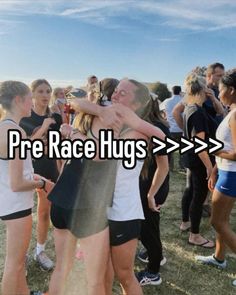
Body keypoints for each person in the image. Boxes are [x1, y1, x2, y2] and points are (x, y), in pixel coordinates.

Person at [47, 79, 166, 295]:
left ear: (137, 104)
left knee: (125, 277)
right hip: (98, 208)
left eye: (123, 94)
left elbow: (99, 153)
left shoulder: (136, 131)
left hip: (121, 212)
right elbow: (74, 99)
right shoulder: (106, 117)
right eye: (116, 91)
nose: (115, 96)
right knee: (102, 275)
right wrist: (97, 111)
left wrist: (74, 134)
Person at [0, 81, 53, 295]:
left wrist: (34, 175)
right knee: (15, 264)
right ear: (18, 100)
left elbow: (11, 170)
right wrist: (42, 183)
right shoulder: (15, 131)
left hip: (9, 201)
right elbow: (17, 183)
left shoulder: (5, 126)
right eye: (30, 97)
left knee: (18, 263)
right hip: (15, 204)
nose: (33, 101)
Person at [195, 69, 236, 285]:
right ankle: (219, 258)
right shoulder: (231, 111)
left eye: (220, 88)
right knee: (223, 221)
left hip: (232, 175)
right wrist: (214, 169)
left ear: (231, 90)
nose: (217, 92)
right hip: (225, 171)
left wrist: (214, 150)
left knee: (217, 222)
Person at [20, 79, 62, 271]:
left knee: (45, 212)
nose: (45, 95)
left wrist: (61, 168)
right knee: (23, 215)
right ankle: (22, 255)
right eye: (40, 91)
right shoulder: (24, 118)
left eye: (48, 91)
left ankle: (40, 251)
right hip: (27, 169)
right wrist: (43, 128)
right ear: (33, 94)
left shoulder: (56, 117)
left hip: (49, 168)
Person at [180, 73, 217, 247]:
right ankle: (195, 235)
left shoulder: (190, 107)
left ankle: (187, 223)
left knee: (192, 192)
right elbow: (200, 144)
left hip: (193, 159)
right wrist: (210, 168)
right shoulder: (197, 111)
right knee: (198, 196)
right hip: (200, 161)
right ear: (203, 89)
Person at [136, 97, 170, 286]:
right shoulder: (151, 124)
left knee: (149, 229)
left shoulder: (157, 128)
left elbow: (163, 166)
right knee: (148, 227)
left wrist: (150, 194)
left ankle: (153, 271)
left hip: (152, 187)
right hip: (150, 185)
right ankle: (153, 254)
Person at [160, 85, 184, 170]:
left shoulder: (167, 101)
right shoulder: (183, 100)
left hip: (171, 128)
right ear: (180, 91)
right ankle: (182, 165)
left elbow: (160, 109)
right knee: (183, 148)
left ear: (172, 91)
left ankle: (170, 166)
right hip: (182, 127)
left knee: (170, 148)